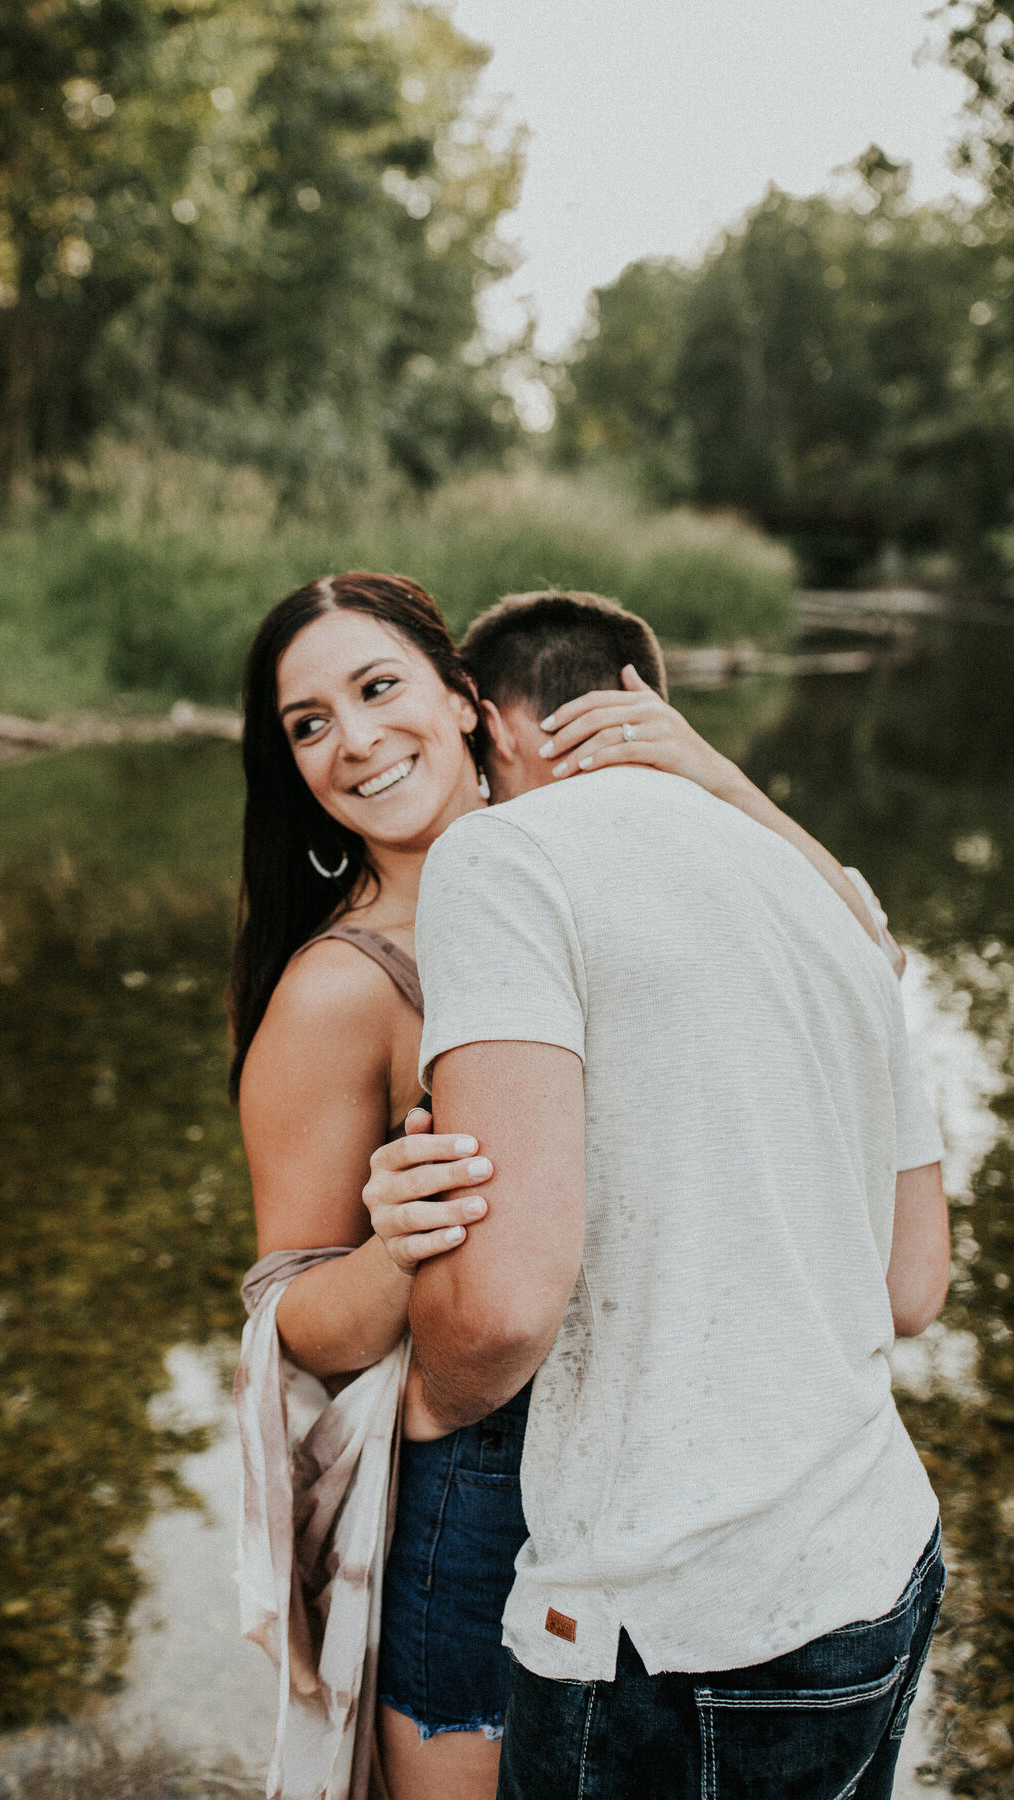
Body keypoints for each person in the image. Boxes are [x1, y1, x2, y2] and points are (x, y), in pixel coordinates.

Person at [231, 574, 902, 1800]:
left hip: (676, 1473)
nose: (357, 740)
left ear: (466, 699)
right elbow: (292, 1322)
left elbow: (861, 951)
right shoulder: (342, 988)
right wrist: (396, 1256)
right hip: (486, 1494)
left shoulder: (588, 869)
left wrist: (717, 778)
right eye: (309, 723)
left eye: (379, 688)